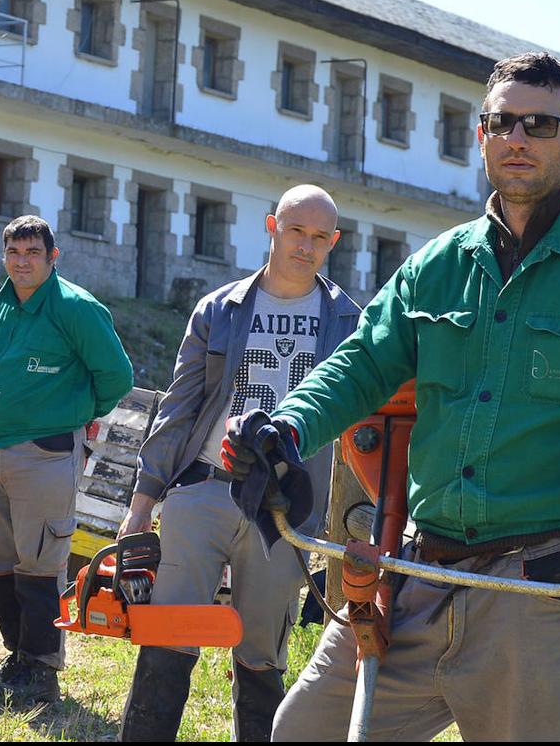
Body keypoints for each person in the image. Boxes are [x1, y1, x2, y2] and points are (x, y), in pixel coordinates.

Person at [223, 52, 560, 741]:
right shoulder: (436, 265)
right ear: (480, 136)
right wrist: (290, 426)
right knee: (303, 731)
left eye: (540, 125)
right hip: (418, 571)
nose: (516, 138)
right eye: (501, 122)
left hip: (538, 593)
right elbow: (359, 365)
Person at [117, 185, 362, 741]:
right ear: (272, 226)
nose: (306, 245)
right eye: (296, 230)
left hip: (285, 508)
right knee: (168, 633)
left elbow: (362, 432)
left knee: (261, 652)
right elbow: (179, 407)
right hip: (206, 488)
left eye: (320, 237)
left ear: (334, 242)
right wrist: (142, 504)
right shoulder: (220, 310)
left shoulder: (350, 323)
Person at [0, 215, 133, 704]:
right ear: (4, 256)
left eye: (32, 253)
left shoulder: (76, 309)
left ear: (52, 257)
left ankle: (42, 673)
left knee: (41, 561)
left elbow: (117, 376)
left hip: (45, 452)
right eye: (13, 253)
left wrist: (79, 417)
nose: (21, 262)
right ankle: (17, 660)